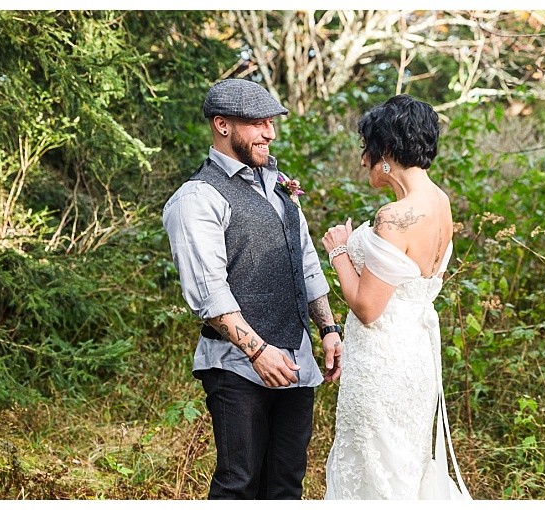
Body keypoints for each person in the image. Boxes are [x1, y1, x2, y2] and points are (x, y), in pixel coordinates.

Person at [162, 78, 344, 499]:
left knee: (285, 485)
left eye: (272, 122)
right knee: (238, 484)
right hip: (236, 366)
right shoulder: (197, 197)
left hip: (296, 361)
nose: (270, 133)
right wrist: (257, 351)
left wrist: (329, 330)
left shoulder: (280, 187)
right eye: (259, 123)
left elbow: (306, 264)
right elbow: (209, 293)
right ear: (222, 125)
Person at [321, 94, 467, 499]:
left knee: (374, 469)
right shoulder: (440, 202)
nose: (363, 161)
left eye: (367, 149)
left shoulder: (394, 215)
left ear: (386, 150)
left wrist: (338, 250)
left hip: (381, 363)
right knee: (403, 463)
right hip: (415, 359)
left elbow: (368, 307)